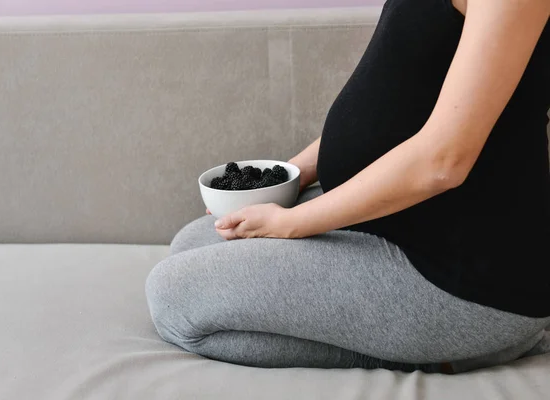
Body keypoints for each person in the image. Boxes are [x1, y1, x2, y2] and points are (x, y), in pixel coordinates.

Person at [146, 0, 550, 373]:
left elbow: (444, 161)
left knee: (173, 300)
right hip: (400, 222)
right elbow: (399, 101)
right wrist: (289, 176)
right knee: (193, 242)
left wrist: (295, 221)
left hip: (461, 277)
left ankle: (469, 349)